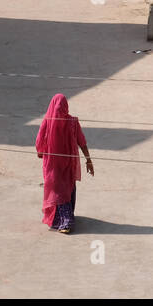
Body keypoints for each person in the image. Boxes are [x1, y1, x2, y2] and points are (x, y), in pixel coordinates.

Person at [35, 93, 93, 233]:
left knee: (58, 190)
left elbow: (39, 142)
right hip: (69, 164)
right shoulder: (72, 122)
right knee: (66, 189)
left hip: (52, 166)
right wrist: (88, 159)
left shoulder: (48, 121)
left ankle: (65, 222)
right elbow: (82, 141)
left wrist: (41, 151)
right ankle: (66, 218)